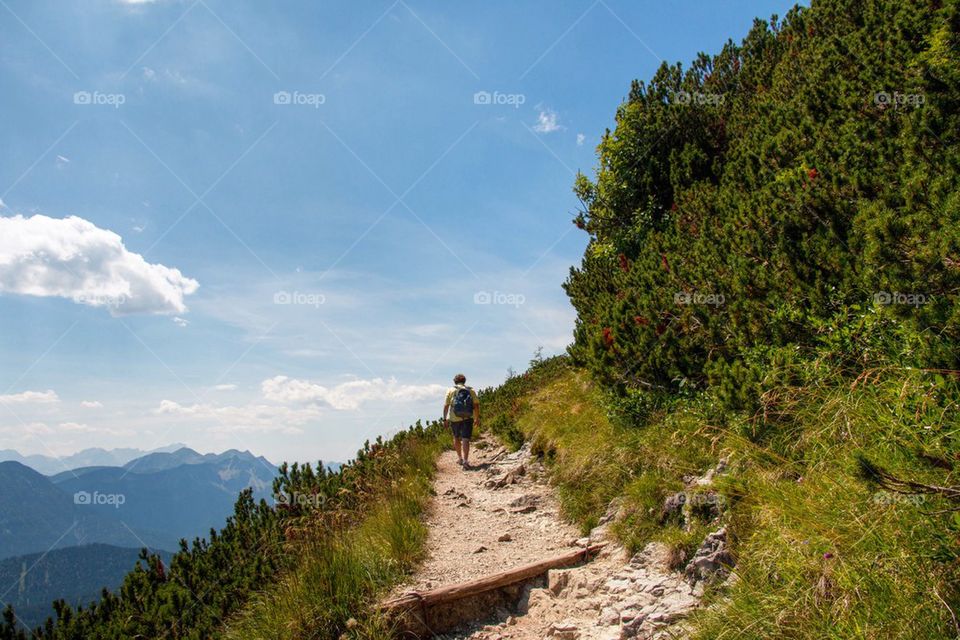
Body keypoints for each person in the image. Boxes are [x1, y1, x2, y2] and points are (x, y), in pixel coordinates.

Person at [443, 373, 480, 468]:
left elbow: (446, 406)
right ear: (464, 381)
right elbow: (476, 405)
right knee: (465, 439)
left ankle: (460, 458)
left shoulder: (451, 390)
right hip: (468, 417)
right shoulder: (470, 390)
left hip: (454, 418)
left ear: (455, 381)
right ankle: (466, 461)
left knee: (456, 438)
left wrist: (445, 419)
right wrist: (476, 418)